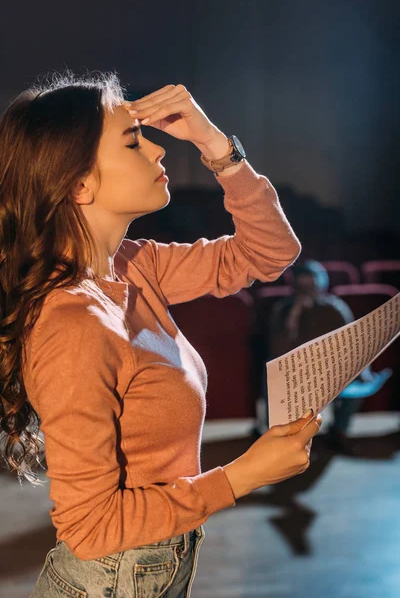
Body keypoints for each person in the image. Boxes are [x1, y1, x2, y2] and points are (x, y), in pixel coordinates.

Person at [0, 70, 322, 598]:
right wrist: (241, 475)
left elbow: (271, 254)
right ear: (79, 183)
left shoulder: (131, 266)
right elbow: (89, 529)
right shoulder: (73, 324)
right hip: (110, 581)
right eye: (132, 141)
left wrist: (216, 147)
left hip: (151, 565)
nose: (158, 151)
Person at [267, 260, 391, 454]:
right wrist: (293, 318)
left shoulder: (335, 308)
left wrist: (362, 373)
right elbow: (277, 351)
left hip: (332, 373)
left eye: (311, 286)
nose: (307, 292)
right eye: (302, 287)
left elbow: (353, 347)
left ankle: (338, 431)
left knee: (353, 387)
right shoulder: (283, 310)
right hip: (297, 374)